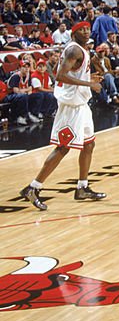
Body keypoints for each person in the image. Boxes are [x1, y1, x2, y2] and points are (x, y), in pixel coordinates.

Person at [19, 21, 106, 211]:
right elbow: (60, 76)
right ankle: (33, 188)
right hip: (70, 107)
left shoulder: (82, 50)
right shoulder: (73, 50)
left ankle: (82, 187)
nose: (86, 31)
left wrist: (89, 79)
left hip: (81, 105)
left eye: (87, 29)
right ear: (74, 33)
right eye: (81, 29)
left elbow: (75, 76)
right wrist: (89, 85)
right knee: (63, 148)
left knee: (89, 144)